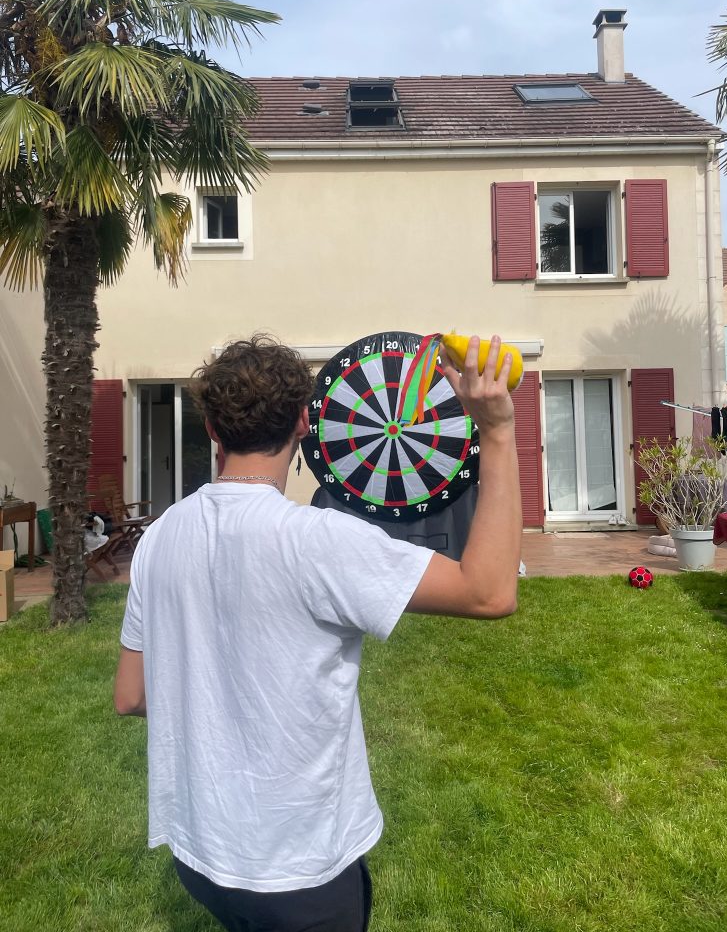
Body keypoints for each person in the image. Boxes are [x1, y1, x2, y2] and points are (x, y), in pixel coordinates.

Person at [114, 332, 522, 932]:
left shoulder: (159, 537)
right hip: (301, 874)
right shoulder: (318, 541)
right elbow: (490, 592)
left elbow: (132, 696)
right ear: (305, 421)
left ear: (212, 431)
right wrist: (498, 433)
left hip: (200, 854)